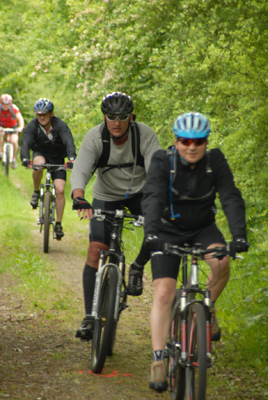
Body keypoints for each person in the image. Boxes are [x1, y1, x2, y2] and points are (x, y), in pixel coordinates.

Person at [141, 112, 249, 392]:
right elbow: (152, 195)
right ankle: (158, 359)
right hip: (166, 229)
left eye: (198, 141)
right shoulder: (163, 161)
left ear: (206, 141)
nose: (192, 147)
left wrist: (239, 236)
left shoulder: (216, 162)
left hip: (202, 229)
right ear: (175, 141)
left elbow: (230, 196)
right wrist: (151, 233)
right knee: (164, 292)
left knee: (222, 263)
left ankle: (206, 307)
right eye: (185, 140)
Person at [70, 92, 161, 340]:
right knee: (95, 249)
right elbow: (81, 170)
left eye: (122, 117)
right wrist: (79, 196)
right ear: (104, 117)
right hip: (106, 195)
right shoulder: (95, 137)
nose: (116, 122)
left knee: (157, 228)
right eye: (111, 117)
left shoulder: (144, 135)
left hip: (140, 193)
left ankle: (137, 268)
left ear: (131, 118)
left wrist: (156, 201)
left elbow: (156, 170)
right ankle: (90, 316)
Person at [20, 98, 76, 239]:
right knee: (38, 164)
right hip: (41, 153)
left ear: (51, 113)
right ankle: (36, 191)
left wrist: (71, 159)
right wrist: (25, 158)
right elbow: (25, 142)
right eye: (39, 114)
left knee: (60, 190)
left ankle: (58, 224)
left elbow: (68, 140)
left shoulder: (60, 125)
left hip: (57, 158)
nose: (42, 117)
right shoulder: (33, 126)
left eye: (45, 114)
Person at [0, 94, 24, 168]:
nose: (5, 106)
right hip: (2, 126)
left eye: (7, 104)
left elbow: (20, 118)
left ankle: (13, 158)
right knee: (1, 133)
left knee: (14, 141)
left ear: (10, 104)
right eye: (3, 104)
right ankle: (0, 152)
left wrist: (21, 127)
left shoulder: (14, 108)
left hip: (13, 127)